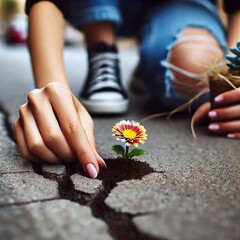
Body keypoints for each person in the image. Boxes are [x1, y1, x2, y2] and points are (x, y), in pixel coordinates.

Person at [14, 0, 240, 178]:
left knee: (195, 71)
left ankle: (150, 66)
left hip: (182, 4)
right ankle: (102, 48)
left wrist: (231, 82)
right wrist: (51, 90)